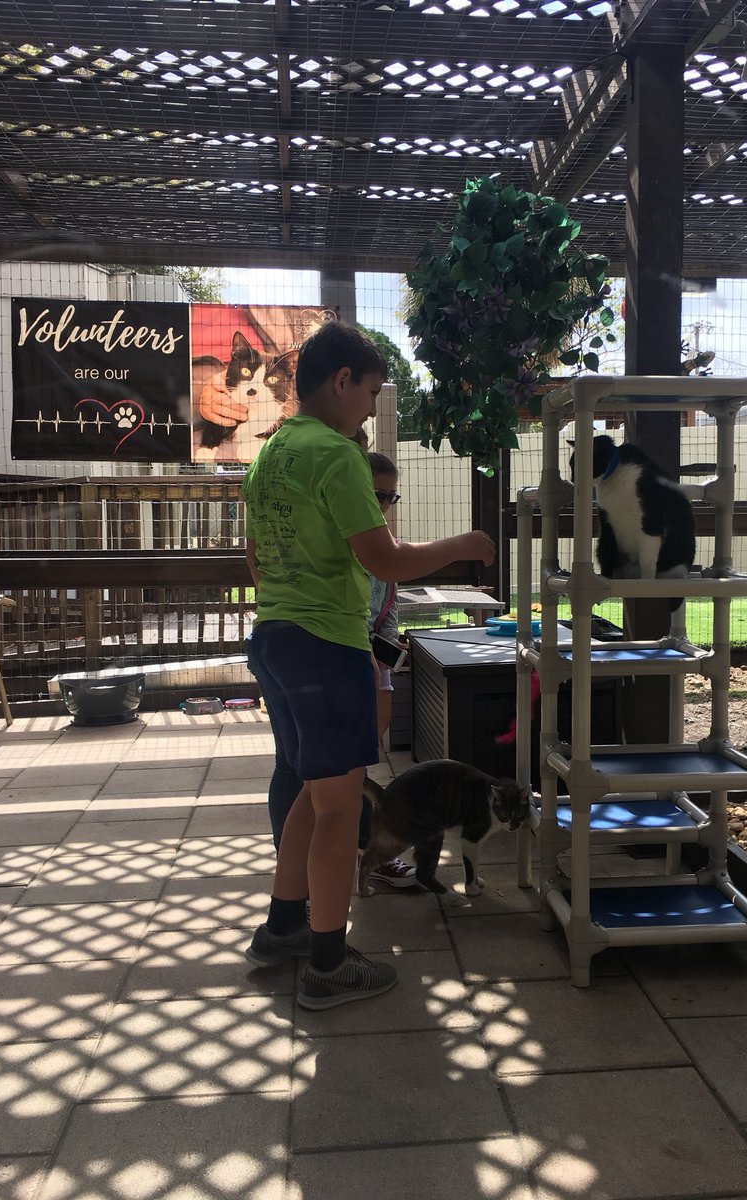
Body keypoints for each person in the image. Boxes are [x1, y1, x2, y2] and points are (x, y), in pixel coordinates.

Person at [242, 321, 495, 1010]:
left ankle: (284, 927)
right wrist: (466, 543)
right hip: (327, 649)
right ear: (342, 379)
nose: (370, 407)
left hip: (276, 640)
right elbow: (383, 560)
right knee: (336, 812)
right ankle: (328, 962)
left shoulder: (270, 456)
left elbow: (256, 562)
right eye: (373, 392)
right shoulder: (335, 454)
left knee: (307, 794)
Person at [253, 441, 417, 889]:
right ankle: (298, 872)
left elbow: (387, 606)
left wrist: (384, 658)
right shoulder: (333, 538)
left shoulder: (376, 542)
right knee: (300, 767)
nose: (384, 506)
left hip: (349, 661)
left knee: (347, 770)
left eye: (390, 497)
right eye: (377, 495)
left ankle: (356, 858)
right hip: (322, 658)